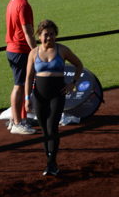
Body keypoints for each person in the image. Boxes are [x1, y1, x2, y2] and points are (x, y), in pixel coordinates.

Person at [25, 20, 83, 176]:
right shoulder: (33, 53)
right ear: (39, 36)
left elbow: (79, 65)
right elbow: (29, 77)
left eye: (52, 34)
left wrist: (73, 83)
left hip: (57, 95)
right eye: (46, 35)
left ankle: (51, 163)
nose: (49, 38)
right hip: (39, 96)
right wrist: (27, 98)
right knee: (44, 130)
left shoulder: (62, 50)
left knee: (52, 127)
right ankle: (50, 161)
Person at [5, 0, 36, 135]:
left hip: (13, 48)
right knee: (19, 86)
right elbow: (28, 32)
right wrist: (36, 51)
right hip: (20, 50)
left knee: (21, 85)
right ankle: (17, 123)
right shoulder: (23, 4)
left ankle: (16, 119)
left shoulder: (13, 0)